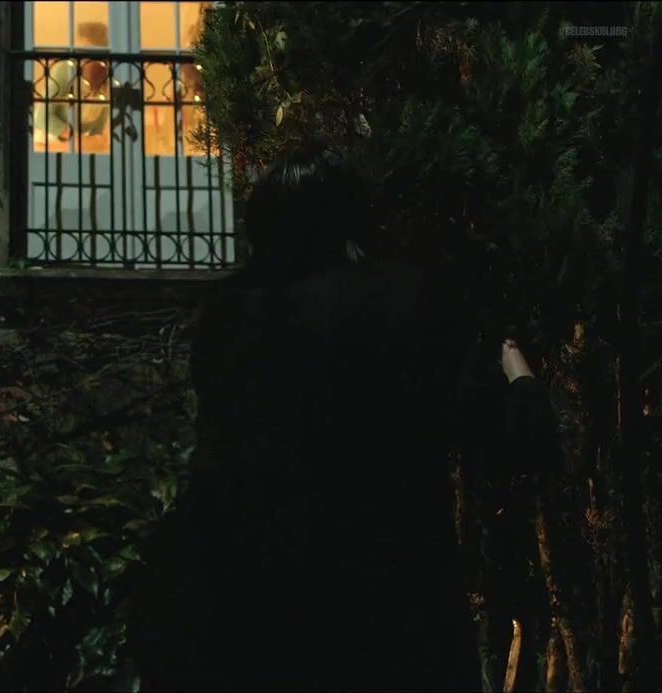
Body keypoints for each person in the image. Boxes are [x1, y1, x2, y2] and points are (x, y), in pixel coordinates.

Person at [127, 144, 562, 691]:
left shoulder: (230, 322)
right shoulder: (401, 304)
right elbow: (516, 438)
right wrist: (519, 374)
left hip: (259, 626)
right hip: (394, 623)